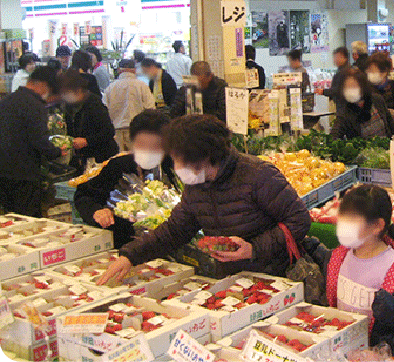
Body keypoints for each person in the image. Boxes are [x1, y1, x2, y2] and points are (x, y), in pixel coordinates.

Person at [95, 114, 312, 284]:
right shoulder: (195, 186)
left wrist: (253, 248)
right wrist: (130, 256)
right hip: (232, 279)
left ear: (206, 155)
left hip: (277, 275)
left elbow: (300, 219)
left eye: (182, 160)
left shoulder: (258, 174)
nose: (178, 167)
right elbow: (175, 230)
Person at [308, 184, 394, 358]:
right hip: (343, 350)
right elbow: (328, 263)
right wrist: (312, 248)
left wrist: (391, 307)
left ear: (377, 225)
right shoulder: (340, 256)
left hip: (379, 355)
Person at [75, 110, 176, 248]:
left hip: (169, 245)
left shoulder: (174, 168)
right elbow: (85, 195)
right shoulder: (119, 166)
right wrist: (97, 211)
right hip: (125, 245)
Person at [0, 66, 64, 217]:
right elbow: (39, 140)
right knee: (28, 218)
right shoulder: (35, 106)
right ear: (43, 85)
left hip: (3, 171)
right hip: (24, 173)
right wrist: (56, 151)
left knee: (9, 218)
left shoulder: (6, 100)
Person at [59, 71, 118, 173]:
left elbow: (108, 131)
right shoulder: (69, 106)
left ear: (78, 91)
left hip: (100, 157)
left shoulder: (94, 104)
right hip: (83, 159)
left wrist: (87, 141)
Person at [331, 68, 394, 140]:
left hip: (386, 149)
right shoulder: (344, 112)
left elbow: (389, 120)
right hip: (364, 152)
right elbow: (335, 135)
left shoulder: (376, 99)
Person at [104, 59, 156, 151]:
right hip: (137, 131)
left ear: (119, 70)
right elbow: (151, 109)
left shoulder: (110, 88)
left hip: (116, 131)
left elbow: (104, 111)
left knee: (119, 161)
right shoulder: (142, 86)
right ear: (134, 70)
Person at [366, 52, 394, 121]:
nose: (370, 74)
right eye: (369, 71)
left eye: (374, 71)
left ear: (384, 71)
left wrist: (382, 111)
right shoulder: (367, 89)